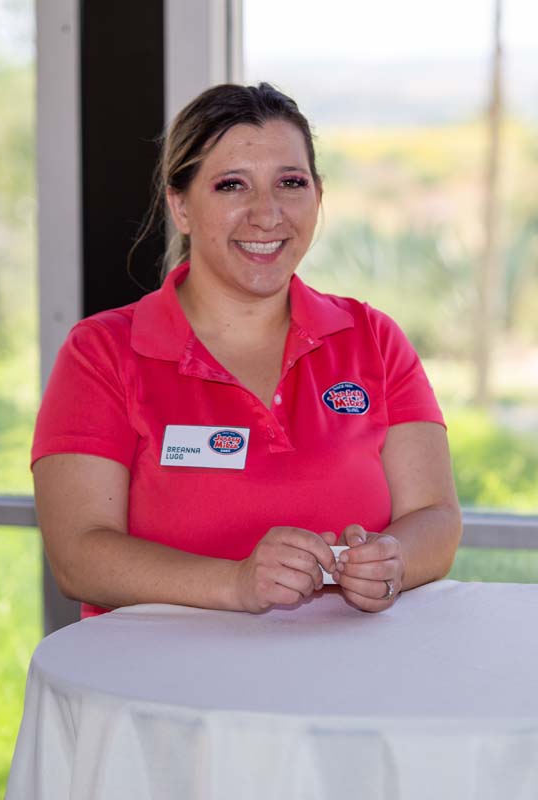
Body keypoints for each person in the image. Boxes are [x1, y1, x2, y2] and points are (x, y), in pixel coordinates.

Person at [32, 83, 461, 617]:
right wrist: (234, 583)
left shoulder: (372, 338)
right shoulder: (101, 353)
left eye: (291, 183)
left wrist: (394, 560)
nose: (267, 213)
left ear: (318, 197)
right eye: (232, 185)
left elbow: (435, 516)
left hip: (348, 682)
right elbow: (78, 556)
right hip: (166, 686)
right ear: (180, 206)